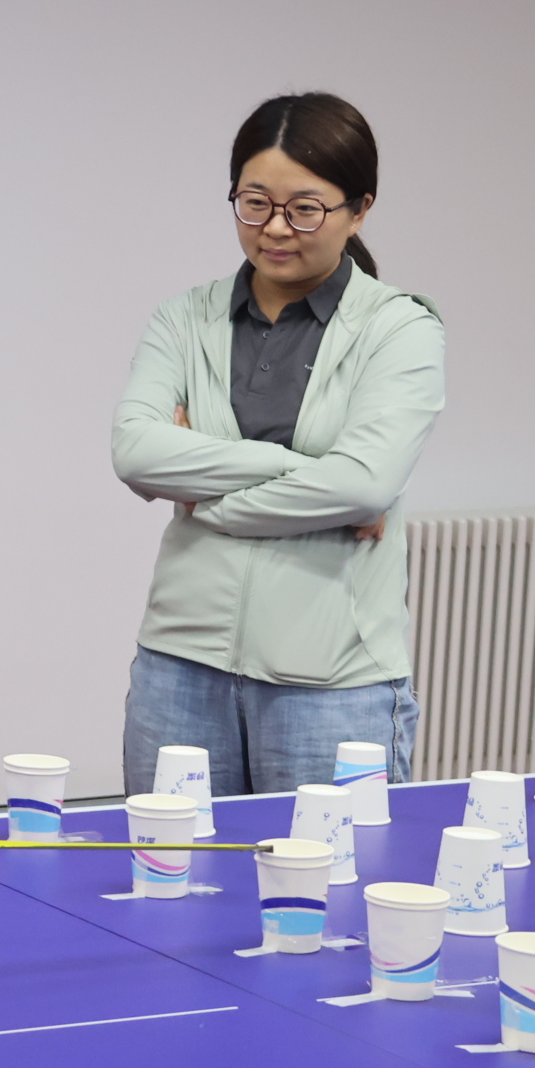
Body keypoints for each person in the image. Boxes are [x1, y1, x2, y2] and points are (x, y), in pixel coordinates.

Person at [111, 92, 444, 796]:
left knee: (332, 870)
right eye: (255, 203)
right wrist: (303, 470)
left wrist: (207, 501)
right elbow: (136, 452)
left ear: (359, 209)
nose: (275, 228)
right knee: (168, 865)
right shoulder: (184, 318)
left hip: (333, 685)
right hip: (178, 667)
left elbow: (362, 485)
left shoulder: (400, 329)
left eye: (305, 209)